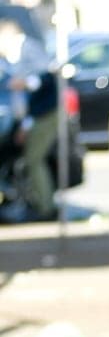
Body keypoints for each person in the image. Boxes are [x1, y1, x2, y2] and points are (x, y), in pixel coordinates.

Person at [0, 18, 58, 221]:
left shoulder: (28, 48)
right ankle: (39, 202)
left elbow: (48, 76)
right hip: (36, 114)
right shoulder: (15, 54)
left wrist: (25, 83)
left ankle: (46, 207)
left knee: (34, 159)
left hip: (46, 112)